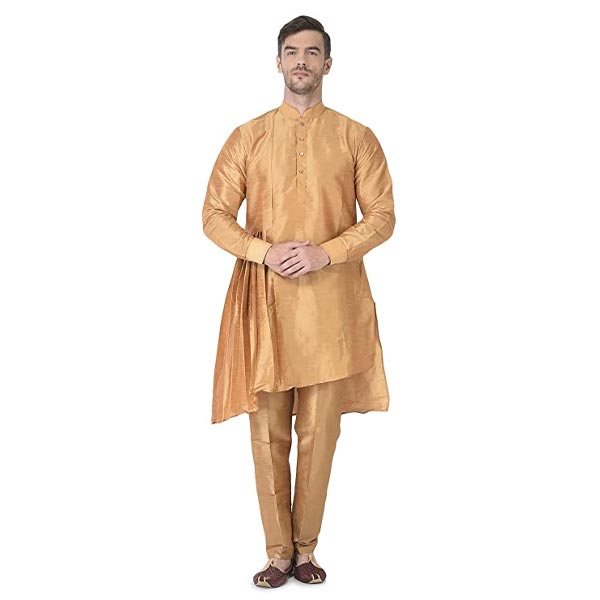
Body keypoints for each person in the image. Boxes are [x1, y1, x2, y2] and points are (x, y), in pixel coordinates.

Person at [202, 15, 395, 587]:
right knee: (268, 434)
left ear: (328, 63)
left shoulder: (357, 137)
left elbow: (383, 217)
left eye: (313, 52)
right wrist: (263, 252)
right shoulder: (248, 136)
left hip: (332, 307)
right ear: (279, 63)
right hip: (264, 307)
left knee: (319, 433)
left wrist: (325, 253)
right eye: (292, 52)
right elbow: (214, 215)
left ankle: (307, 549)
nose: (302, 61)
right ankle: (278, 553)